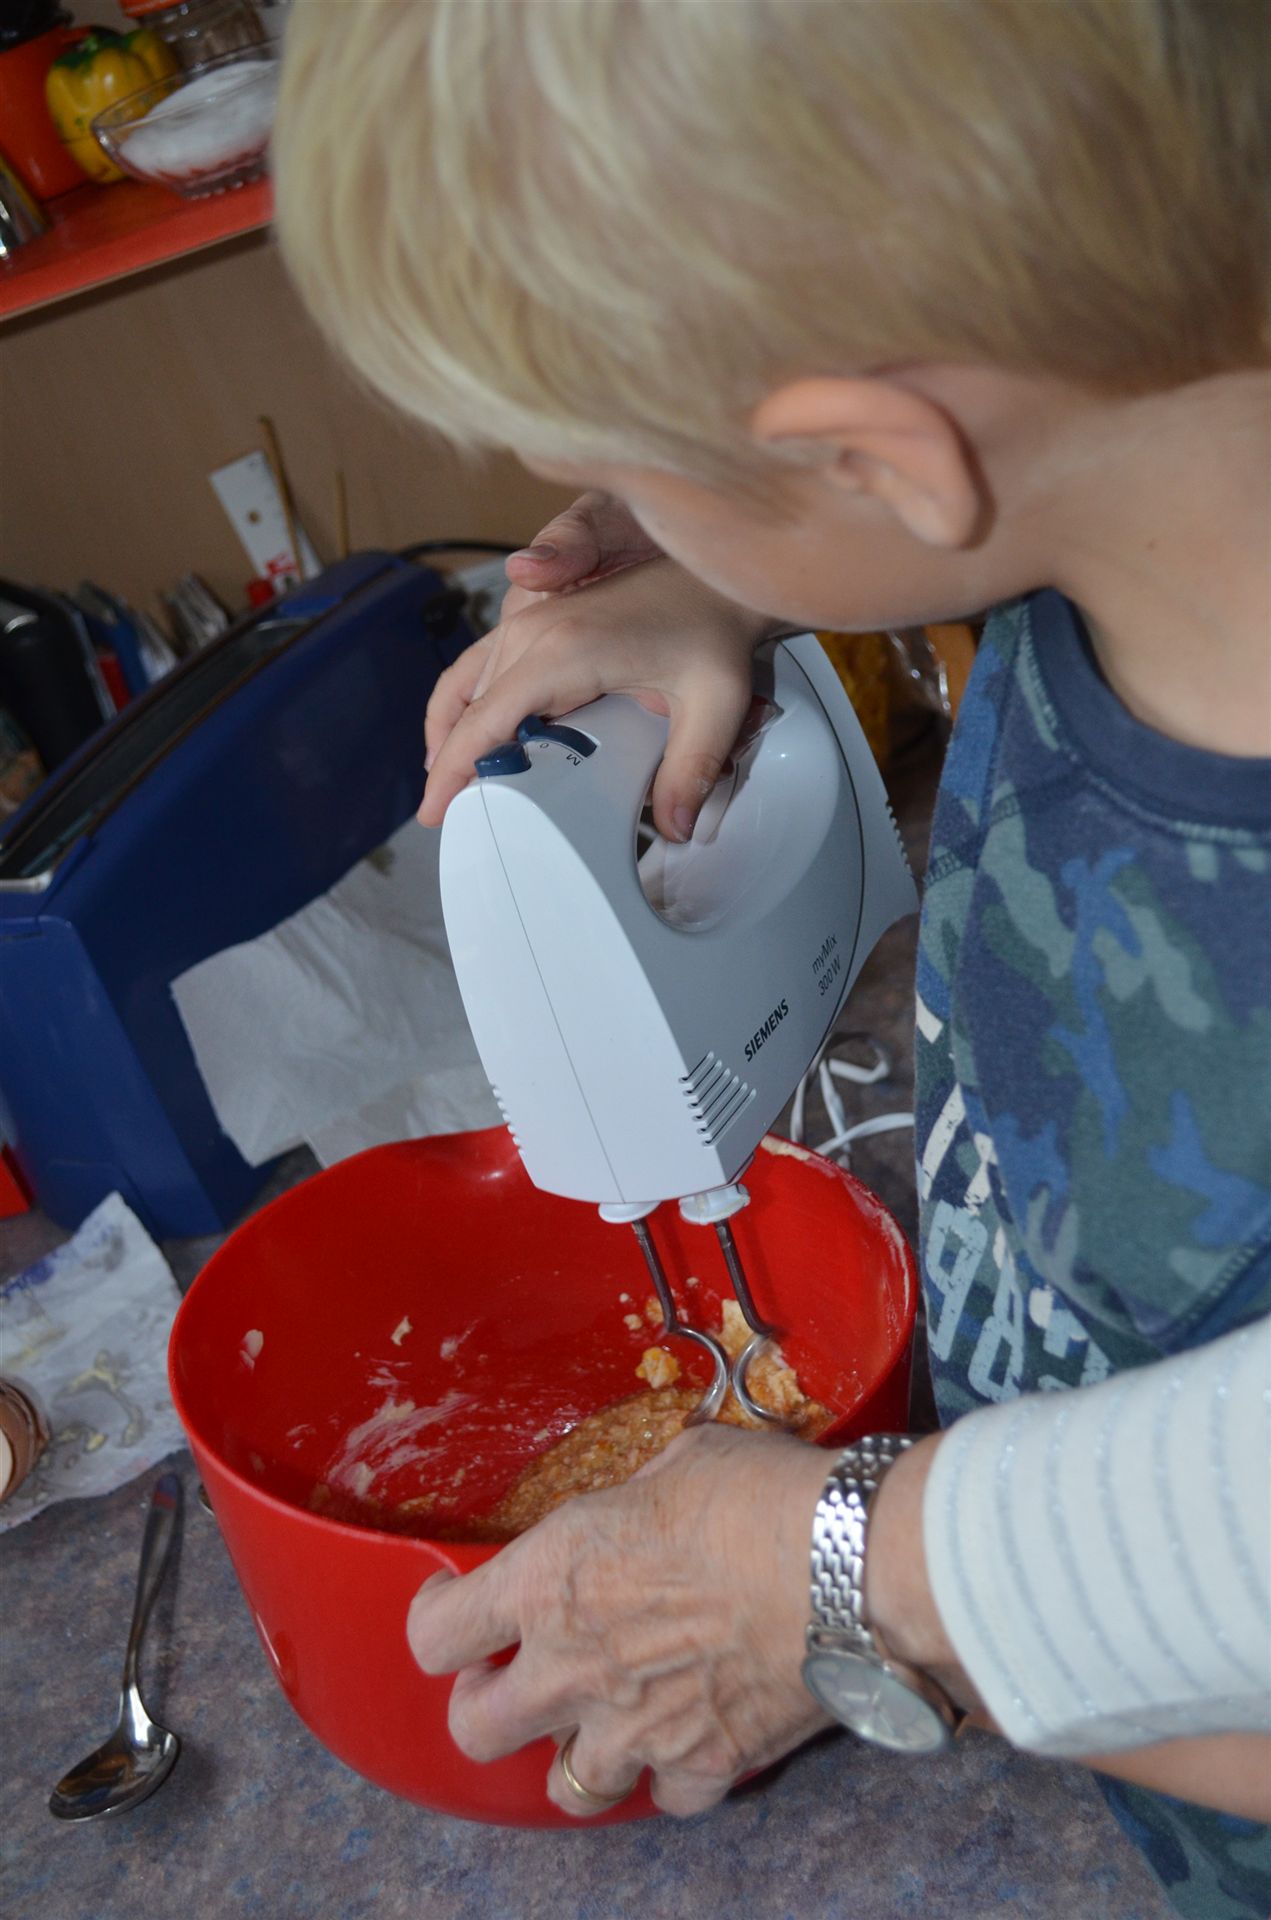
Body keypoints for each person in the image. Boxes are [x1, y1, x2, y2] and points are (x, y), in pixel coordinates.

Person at [272, 4, 1271, 1914]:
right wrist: (724, 561)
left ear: (881, 462)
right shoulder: (1121, 522)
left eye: (644, 483)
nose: (612, 532)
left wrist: (851, 1595)